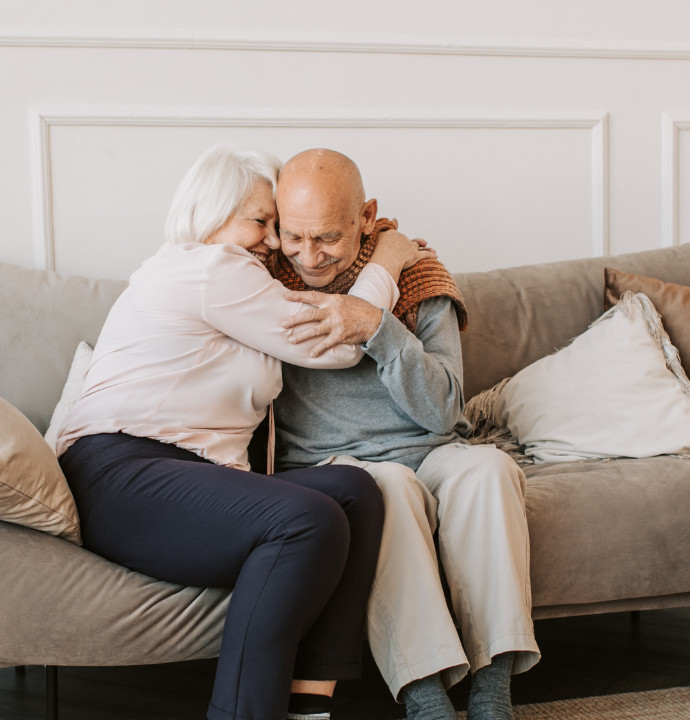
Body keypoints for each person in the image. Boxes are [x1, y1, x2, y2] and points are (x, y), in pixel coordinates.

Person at [55, 145, 432, 720]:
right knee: (306, 519)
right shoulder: (214, 268)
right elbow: (333, 344)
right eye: (261, 222)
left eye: (276, 226)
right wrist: (387, 257)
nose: (275, 242)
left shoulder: (223, 278)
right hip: (123, 474)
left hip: (177, 475)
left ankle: (309, 709)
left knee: (356, 492)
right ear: (212, 214)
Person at [268, 149, 540, 720]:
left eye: (327, 237)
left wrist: (379, 327)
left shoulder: (419, 276)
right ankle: (427, 700)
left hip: (432, 448)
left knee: (489, 468)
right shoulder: (262, 282)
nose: (308, 257)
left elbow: (444, 410)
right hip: (334, 465)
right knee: (385, 487)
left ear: (366, 216)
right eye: (294, 236)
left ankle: (492, 692)